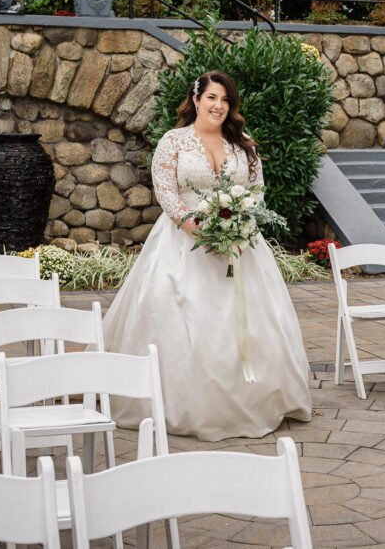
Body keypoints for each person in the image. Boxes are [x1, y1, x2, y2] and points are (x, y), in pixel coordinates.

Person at [104, 71, 312, 442]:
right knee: (183, 320)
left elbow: (257, 190)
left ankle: (258, 400)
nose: (218, 106)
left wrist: (239, 226)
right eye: (212, 98)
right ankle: (187, 404)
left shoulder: (243, 145)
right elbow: (165, 189)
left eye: (225, 100)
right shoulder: (174, 141)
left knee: (251, 323)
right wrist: (191, 225)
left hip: (239, 246)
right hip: (182, 243)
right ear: (196, 100)